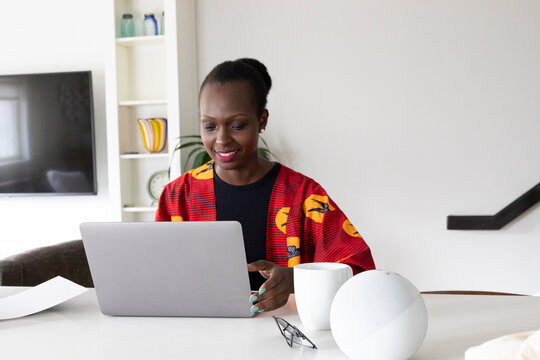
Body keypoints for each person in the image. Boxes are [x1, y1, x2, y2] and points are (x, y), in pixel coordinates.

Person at [155, 58, 375, 313]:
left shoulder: (304, 196)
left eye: (237, 125)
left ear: (262, 120)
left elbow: (361, 271)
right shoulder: (177, 196)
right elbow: (158, 275)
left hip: (285, 337)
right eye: (209, 126)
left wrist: (295, 279)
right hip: (201, 334)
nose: (222, 139)